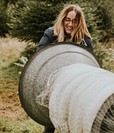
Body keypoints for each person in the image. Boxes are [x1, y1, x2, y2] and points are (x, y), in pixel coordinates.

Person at [38, 4, 92, 133]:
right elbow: (40, 55)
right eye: (67, 20)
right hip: (53, 82)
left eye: (75, 21)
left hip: (75, 84)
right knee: (50, 120)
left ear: (79, 22)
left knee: (72, 119)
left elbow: (89, 65)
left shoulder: (85, 40)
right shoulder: (51, 33)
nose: (70, 24)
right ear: (63, 19)